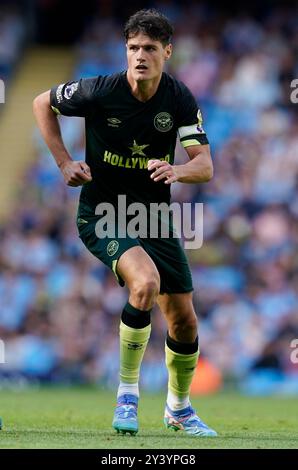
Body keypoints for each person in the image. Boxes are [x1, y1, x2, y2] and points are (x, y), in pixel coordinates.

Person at [33, 8, 217, 437]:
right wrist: (63, 162)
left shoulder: (179, 99)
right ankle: (128, 396)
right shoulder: (99, 90)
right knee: (145, 283)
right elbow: (42, 103)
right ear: (125, 50)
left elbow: (204, 165)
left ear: (167, 52)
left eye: (150, 48)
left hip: (153, 217)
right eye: (133, 47)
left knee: (185, 319)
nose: (139, 56)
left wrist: (177, 171)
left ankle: (179, 408)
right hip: (102, 212)